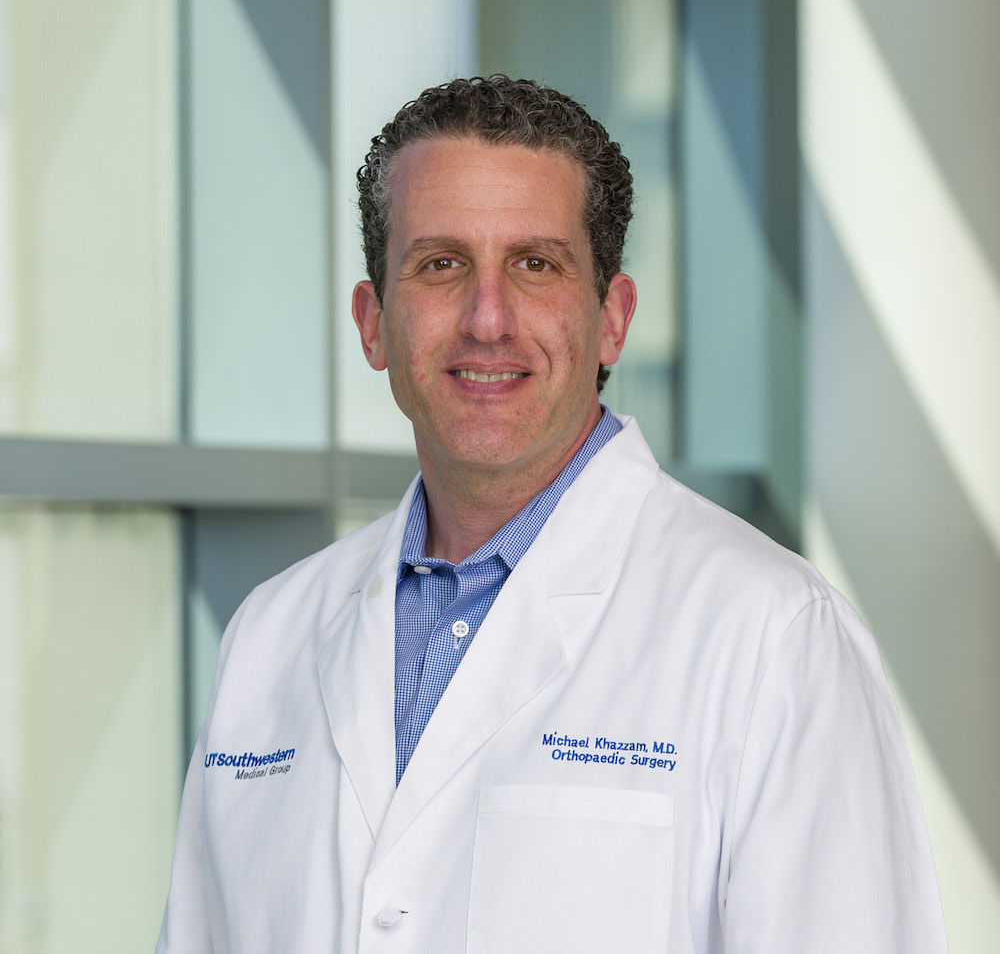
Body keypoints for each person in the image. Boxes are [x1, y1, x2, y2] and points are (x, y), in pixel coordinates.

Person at [156, 75, 948, 952]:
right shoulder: (268, 635)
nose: (487, 319)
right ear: (373, 322)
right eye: (441, 264)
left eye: (536, 265)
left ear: (612, 319)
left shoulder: (774, 637)